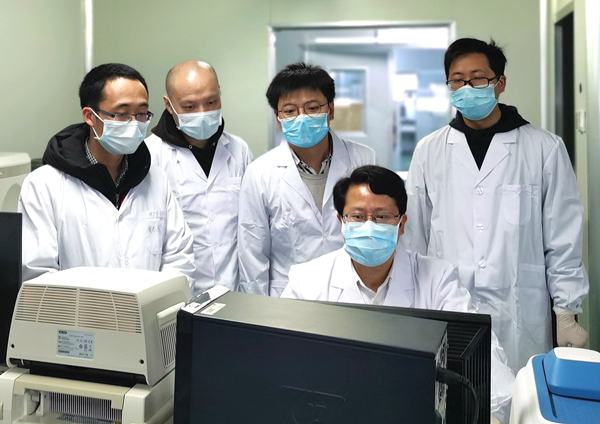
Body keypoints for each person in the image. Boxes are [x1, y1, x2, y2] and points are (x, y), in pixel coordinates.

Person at [405, 38, 589, 374]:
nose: (467, 88)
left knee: (520, 394)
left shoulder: (544, 148)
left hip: (519, 310)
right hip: (448, 305)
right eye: (457, 80)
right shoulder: (429, 150)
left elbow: (563, 237)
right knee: (455, 393)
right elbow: (414, 236)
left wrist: (566, 310)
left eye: (478, 79)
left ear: (500, 83)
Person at [281, 165, 514, 424]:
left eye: (382, 217)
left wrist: (490, 414)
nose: (369, 226)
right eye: (358, 216)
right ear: (341, 222)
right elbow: (278, 363)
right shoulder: (306, 282)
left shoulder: (437, 280)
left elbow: (483, 356)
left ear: (401, 224)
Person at [19, 63, 195, 285]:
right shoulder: (44, 185)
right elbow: (38, 274)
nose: (134, 123)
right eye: (122, 114)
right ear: (90, 116)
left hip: (151, 307)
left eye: (141, 113)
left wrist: (158, 301)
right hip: (79, 308)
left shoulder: (156, 179)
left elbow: (179, 257)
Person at [238, 62, 375, 297]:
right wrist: (259, 312)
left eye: (312, 108)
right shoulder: (259, 173)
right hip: (290, 299)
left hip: (354, 293)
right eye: (290, 111)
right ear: (278, 118)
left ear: (331, 109)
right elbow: (252, 254)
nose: (302, 117)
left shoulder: (364, 159)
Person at [145, 61, 253, 296]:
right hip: (178, 294)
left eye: (211, 102)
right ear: (169, 105)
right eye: (190, 106)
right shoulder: (149, 155)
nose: (202, 113)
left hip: (234, 291)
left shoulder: (239, 150)